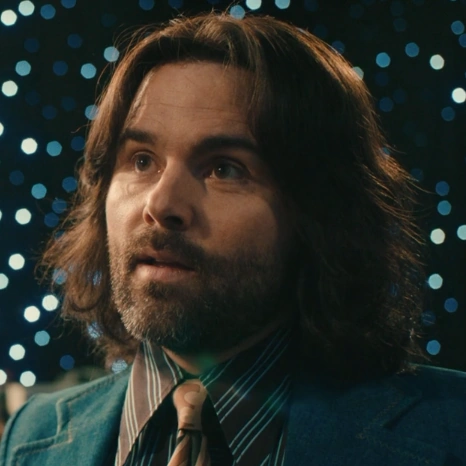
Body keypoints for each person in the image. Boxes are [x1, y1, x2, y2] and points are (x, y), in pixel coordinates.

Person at [1, 11, 465, 466]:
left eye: (224, 168)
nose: (161, 204)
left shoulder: (451, 431)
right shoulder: (30, 439)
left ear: (320, 211)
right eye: (142, 160)